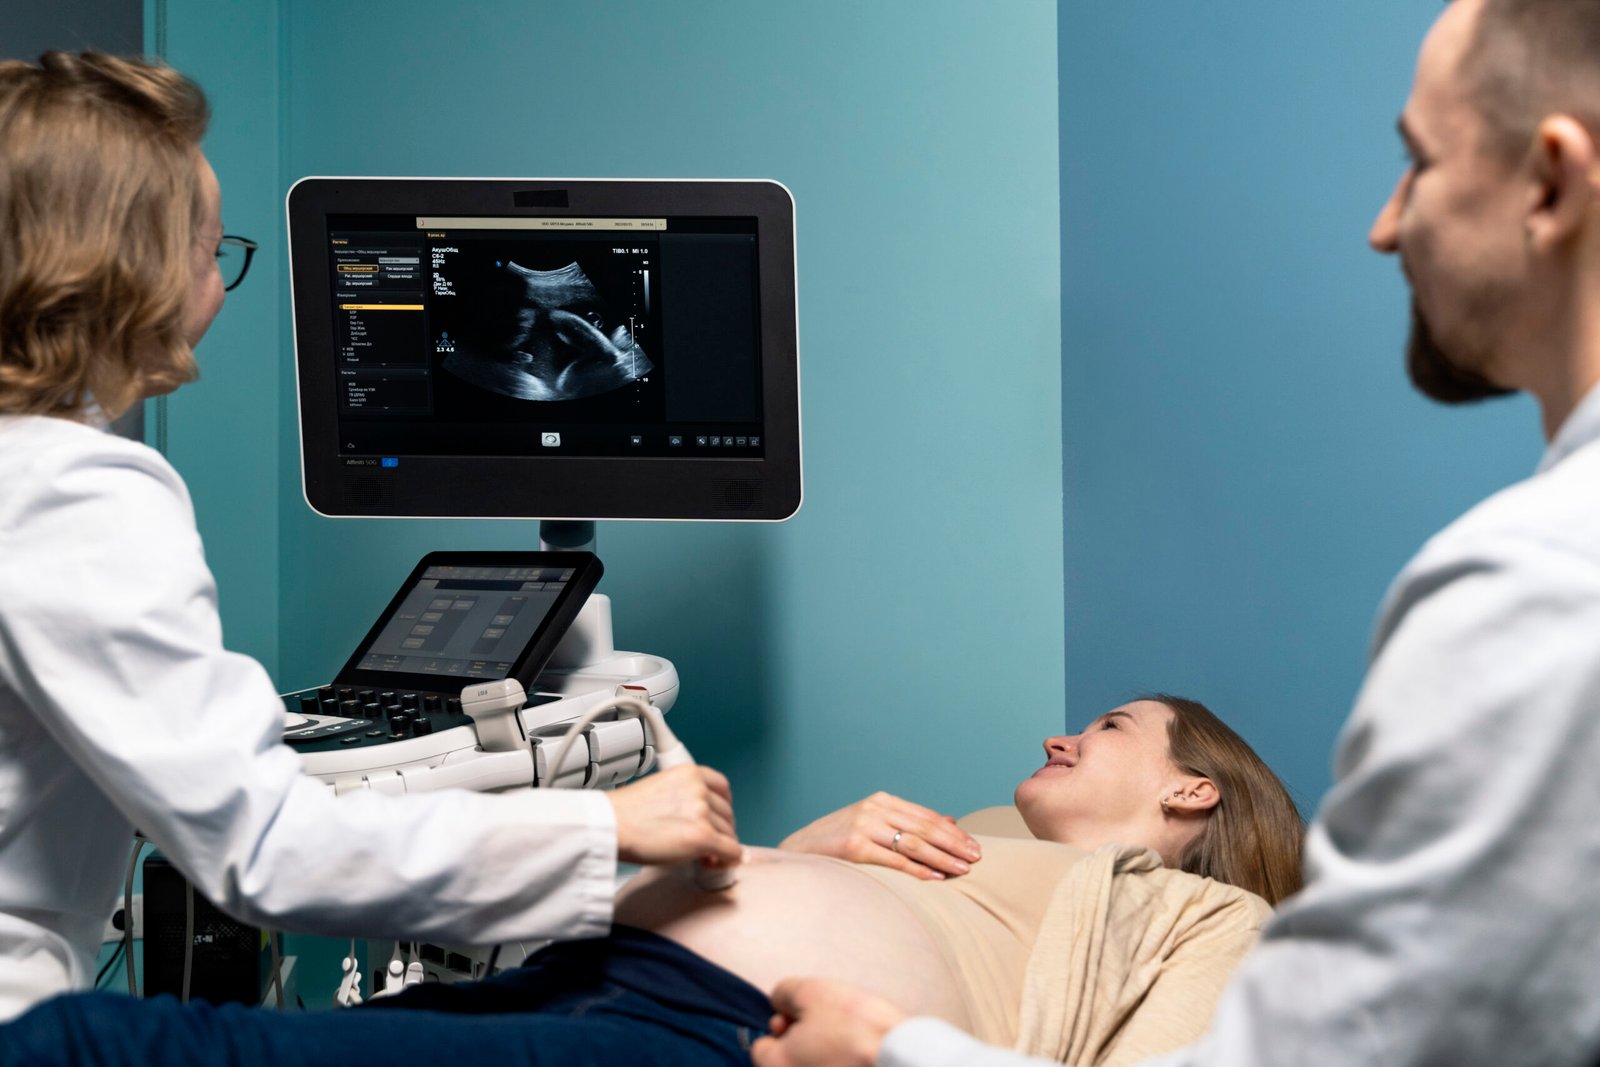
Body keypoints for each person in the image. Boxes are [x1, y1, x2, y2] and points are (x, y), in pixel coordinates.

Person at [752, 0, 1600, 1064]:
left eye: (1418, 164)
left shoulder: (1538, 581)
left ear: (1555, 180)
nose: (1386, 225)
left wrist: (888, 1053)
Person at [0, 50, 740, 1023]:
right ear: (130, 269)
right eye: (214, 250)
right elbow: (264, 848)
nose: (220, 283)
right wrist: (604, 824)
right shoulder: (75, 488)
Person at [0, 696, 1303, 1066]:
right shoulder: (950, 836)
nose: (1060, 736)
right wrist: (806, 840)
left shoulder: (1206, 916)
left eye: (1115, 727)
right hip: (586, 972)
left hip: (710, 1029)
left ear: (1193, 787)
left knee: (97, 1040)